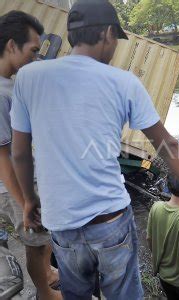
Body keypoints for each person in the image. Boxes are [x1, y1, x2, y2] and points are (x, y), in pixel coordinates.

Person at [10, 1, 179, 299]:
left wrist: (29, 200)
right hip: (109, 222)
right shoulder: (123, 82)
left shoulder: (29, 77)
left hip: (60, 222)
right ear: (108, 34)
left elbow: (18, 153)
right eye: (116, 40)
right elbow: (169, 145)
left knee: (76, 293)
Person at [0, 11, 61, 300]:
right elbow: (2, 157)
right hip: (13, 183)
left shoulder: (11, 80)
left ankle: (47, 278)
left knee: (43, 240)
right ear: (11, 46)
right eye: (33, 50)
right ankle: (45, 293)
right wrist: (25, 201)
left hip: (29, 176)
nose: (37, 57)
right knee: (36, 242)